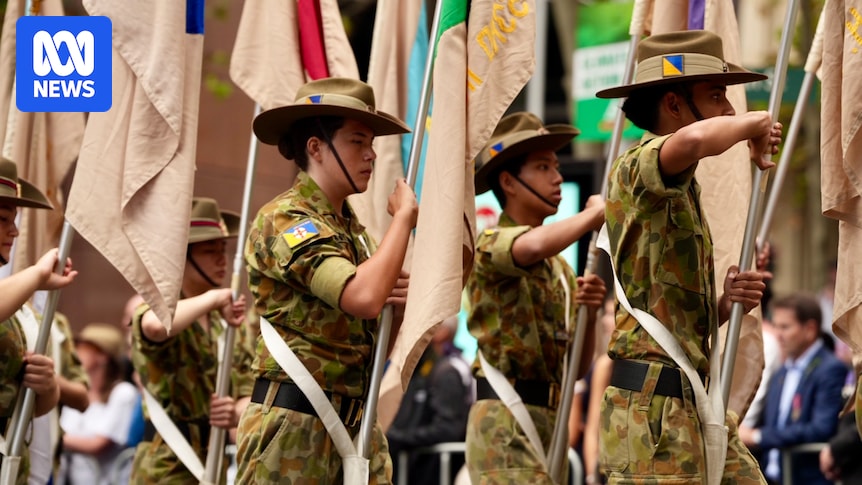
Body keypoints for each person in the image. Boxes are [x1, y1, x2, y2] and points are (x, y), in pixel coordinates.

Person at [594, 30, 782, 484]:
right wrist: (757, 124)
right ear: (674, 105)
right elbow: (695, 140)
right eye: (716, 96)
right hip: (652, 414)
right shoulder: (637, 166)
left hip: (690, 399)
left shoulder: (682, 189)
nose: (730, 110)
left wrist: (725, 304)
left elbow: (672, 318)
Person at [235, 77, 416, 484]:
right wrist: (403, 219)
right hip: (294, 427)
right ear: (316, 147)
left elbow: (375, 337)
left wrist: (398, 309)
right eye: (357, 141)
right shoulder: (285, 218)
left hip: (355, 426)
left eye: (372, 143)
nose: (371, 154)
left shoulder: (356, 234)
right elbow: (362, 297)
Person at [464, 111, 607, 484]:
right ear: (508, 182)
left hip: (550, 421)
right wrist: (592, 217)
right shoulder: (490, 242)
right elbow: (529, 247)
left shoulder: (560, 269)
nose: (557, 177)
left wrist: (590, 314)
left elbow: (576, 368)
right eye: (543, 167)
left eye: (556, 166)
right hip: (505, 423)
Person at [129, 197, 254, 483]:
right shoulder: (159, 306)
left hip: (213, 462)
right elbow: (155, 327)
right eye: (210, 251)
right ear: (180, 257)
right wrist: (213, 298)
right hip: (166, 465)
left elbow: (247, 386)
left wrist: (235, 411)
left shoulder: (230, 323)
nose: (223, 259)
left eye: (223, 249)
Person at [0, 157, 76, 484]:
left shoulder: (18, 308)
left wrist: (47, 386)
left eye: (14, 219)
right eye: (3, 219)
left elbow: (28, 407)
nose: (15, 231)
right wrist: (36, 275)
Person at [738, 293, 847, 485]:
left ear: (810, 329)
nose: (777, 334)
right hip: (771, 477)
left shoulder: (830, 369)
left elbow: (821, 428)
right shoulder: (783, 370)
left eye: (785, 327)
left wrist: (758, 436)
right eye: (775, 326)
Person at [387, 315, 473, 485]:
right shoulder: (428, 366)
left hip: (434, 472)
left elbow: (448, 428)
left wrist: (400, 438)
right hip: (417, 470)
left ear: (442, 332)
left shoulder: (449, 371)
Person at [60, 323, 140, 485]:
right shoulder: (78, 392)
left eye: (84, 348)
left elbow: (98, 445)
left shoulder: (123, 393)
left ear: (103, 356)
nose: (75, 352)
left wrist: (55, 440)